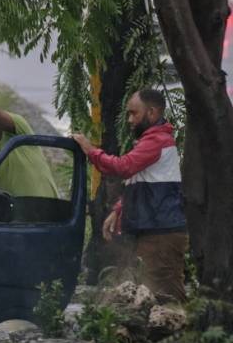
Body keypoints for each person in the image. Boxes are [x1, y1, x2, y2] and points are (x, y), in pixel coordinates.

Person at [72, 88, 187, 302]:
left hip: (160, 235)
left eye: (134, 113)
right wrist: (118, 211)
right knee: (152, 297)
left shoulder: (157, 141)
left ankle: (187, 325)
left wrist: (90, 150)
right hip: (154, 232)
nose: (129, 120)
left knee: (167, 298)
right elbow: (141, 183)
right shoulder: (151, 141)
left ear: (152, 112)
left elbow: (123, 167)